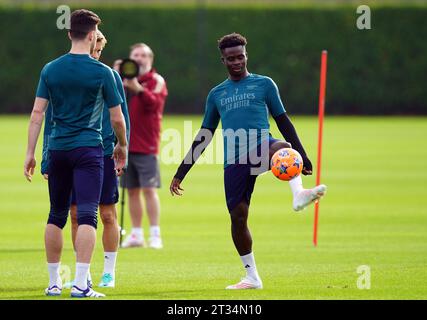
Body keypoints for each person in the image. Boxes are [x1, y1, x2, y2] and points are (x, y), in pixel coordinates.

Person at [170, 33, 327, 290]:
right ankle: (252, 276)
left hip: (261, 146)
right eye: (230, 58)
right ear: (223, 60)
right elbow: (204, 135)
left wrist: (303, 154)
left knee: (283, 148)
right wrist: (181, 172)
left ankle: (298, 194)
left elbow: (283, 120)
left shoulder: (265, 84)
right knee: (238, 217)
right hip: (234, 160)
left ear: (246, 55)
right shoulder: (216, 94)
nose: (236, 62)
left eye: (240, 56)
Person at [24, 9, 128, 298]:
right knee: (86, 216)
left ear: (69, 33)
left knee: (56, 215)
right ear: (93, 35)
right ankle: (82, 284)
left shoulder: (50, 69)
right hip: (88, 150)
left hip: (57, 149)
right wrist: (122, 145)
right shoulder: (103, 72)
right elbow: (118, 119)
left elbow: (37, 114)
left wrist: (31, 153)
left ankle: (54, 282)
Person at [118, 43, 168, 249]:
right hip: (125, 144)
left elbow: (155, 104)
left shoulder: (155, 80)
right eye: (135, 55)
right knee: (131, 191)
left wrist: (138, 89)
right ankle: (136, 234)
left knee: (149, 189)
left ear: (150, 59)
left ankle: (155, 234)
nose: (139, 58)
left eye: (143, 55)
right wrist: (116, 75)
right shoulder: (123, 79)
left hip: (146, 144)